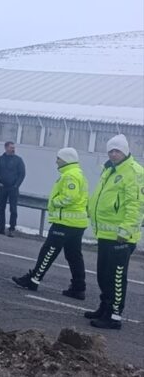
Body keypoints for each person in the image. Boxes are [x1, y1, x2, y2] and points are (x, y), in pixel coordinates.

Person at [11, 148, 88, 299]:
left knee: (49, 250)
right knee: (74, 255)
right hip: (76, 223)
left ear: (66, 159)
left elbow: (69, 197)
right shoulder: (78, 174)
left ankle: (34, 279)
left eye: (58, 158)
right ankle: (78, 287)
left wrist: (54, 202)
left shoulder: (70, 175)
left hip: (65, 222)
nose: (56, 161)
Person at [84, 134, 143, 330]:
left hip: (121, 236)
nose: (113, 154)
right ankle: (105, 307)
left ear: (125, 151)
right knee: (103, 274)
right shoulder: (110, 170)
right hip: (106, 234)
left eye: (117, 150)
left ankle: (114, 315)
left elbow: (136, 205)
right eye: (110, 151)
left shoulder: (133, 172)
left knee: (116, 276)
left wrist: (125, 231)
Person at [0, 141, 26, 237]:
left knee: (13, 209)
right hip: (2, 187)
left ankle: (11, 229)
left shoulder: (18, 160)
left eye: (13, 147)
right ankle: (1, 228)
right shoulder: (0, 159)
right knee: (1, 208)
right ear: (6, 148)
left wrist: (16, 185)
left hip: (13, 188)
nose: (13, 149)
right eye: (11, 147)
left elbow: (22, 174)